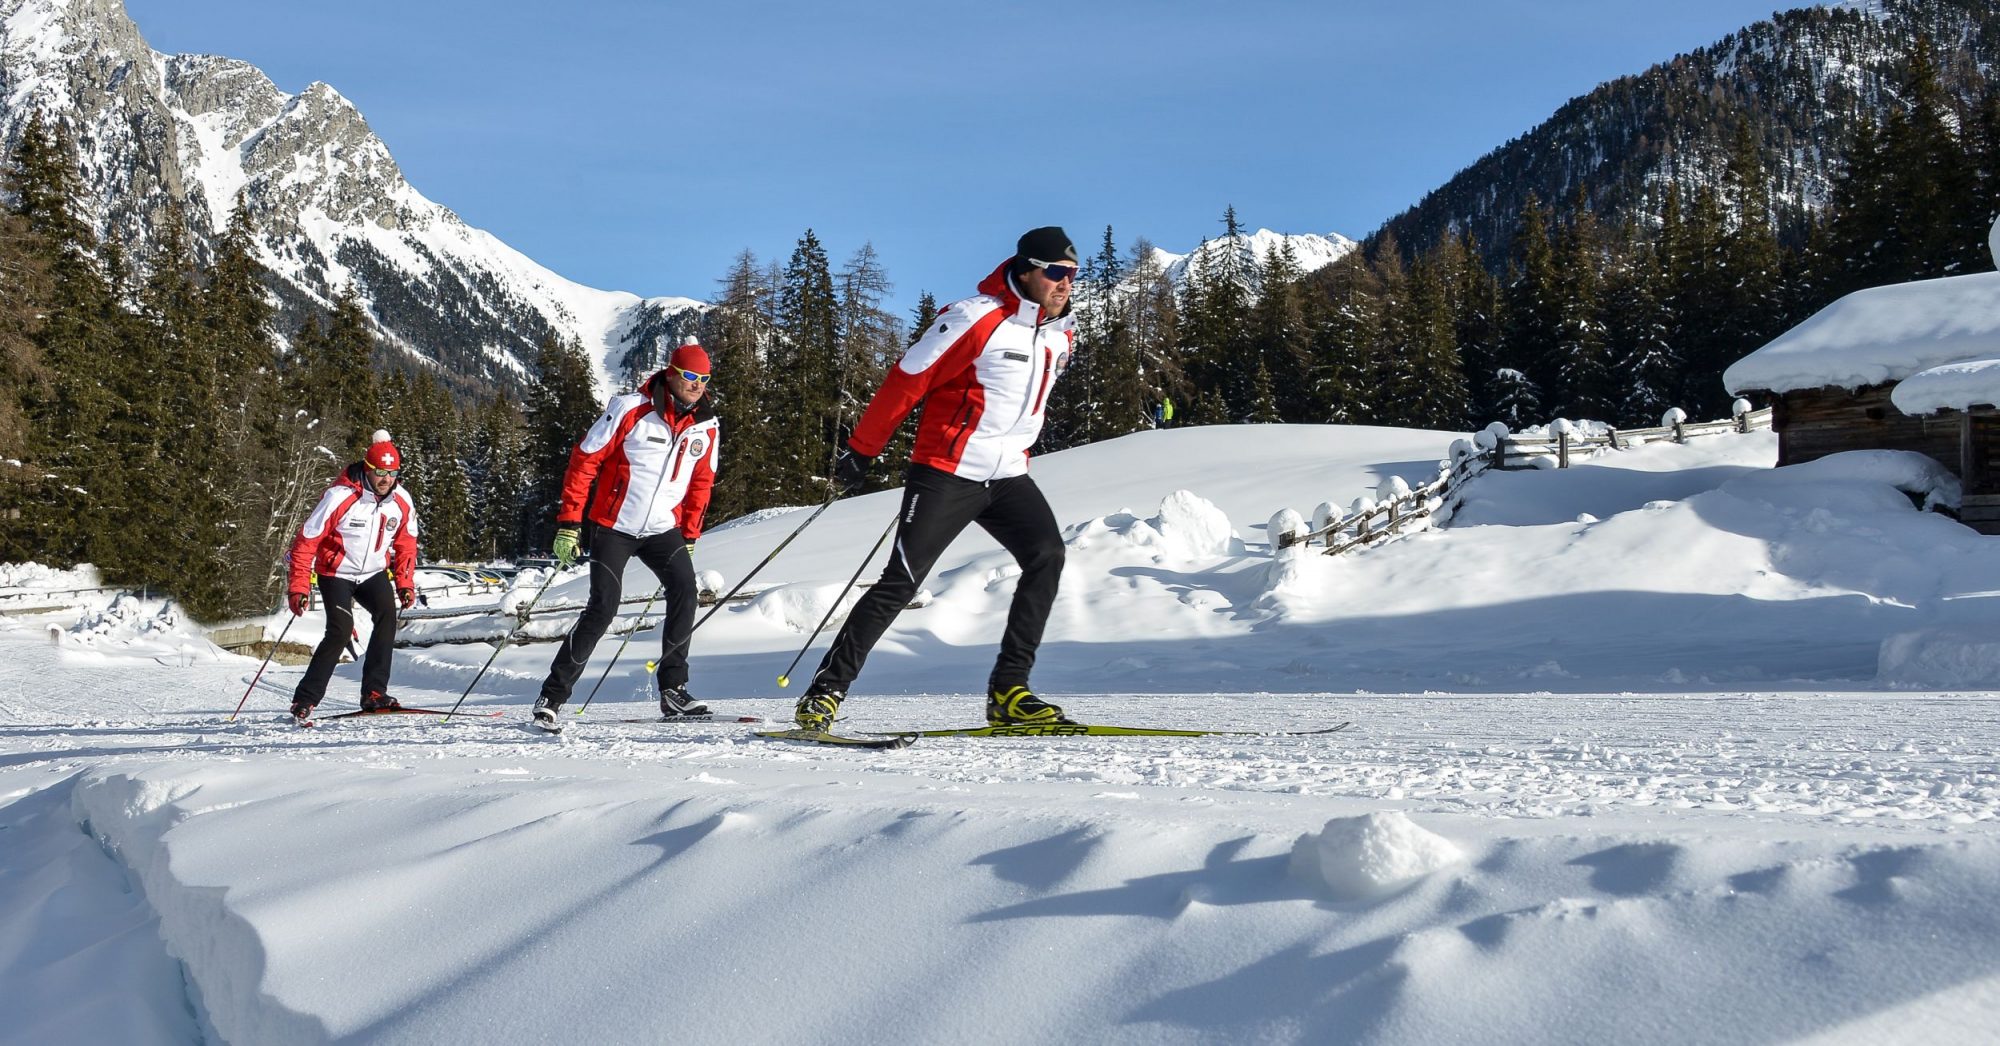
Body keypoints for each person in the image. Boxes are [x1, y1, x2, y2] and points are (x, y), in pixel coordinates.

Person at [795, 226, 1081, 732]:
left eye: (1072, 276)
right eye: (1055, 273)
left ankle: (1009, 692)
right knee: (900, 582)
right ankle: (824, 693)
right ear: (1026, 269)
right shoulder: (975, 318)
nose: (1065, 284)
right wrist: (862, 449)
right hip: (948, 472)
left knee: (1047, 556)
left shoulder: (1059, 335)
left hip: (1009, 474)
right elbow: (907, 380)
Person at [531, 341, 720, 731]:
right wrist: (570, 522)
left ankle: (674, 691)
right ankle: (553, 695)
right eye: (689, 377)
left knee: (685, 591)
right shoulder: (631, 409)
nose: (697, 385)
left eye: (703, 379)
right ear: (671, 374)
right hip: (613, 526)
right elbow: (585, 458)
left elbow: (702, 481)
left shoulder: (706, 425)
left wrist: (689, 532)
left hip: (660, 529)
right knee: (604, 607)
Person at [286, 430, 420, 724]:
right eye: (380, 472)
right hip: (336, 573)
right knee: (341, 629)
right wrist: (298, 587)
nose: (386, 479)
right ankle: (305, 699)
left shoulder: (402, 500)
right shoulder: (340, 496)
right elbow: (305, 542)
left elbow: (406, 543)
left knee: (387, 615)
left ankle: (374, 693)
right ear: (367, 469)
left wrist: (404, 583)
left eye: (392, 472)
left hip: (372, 572)